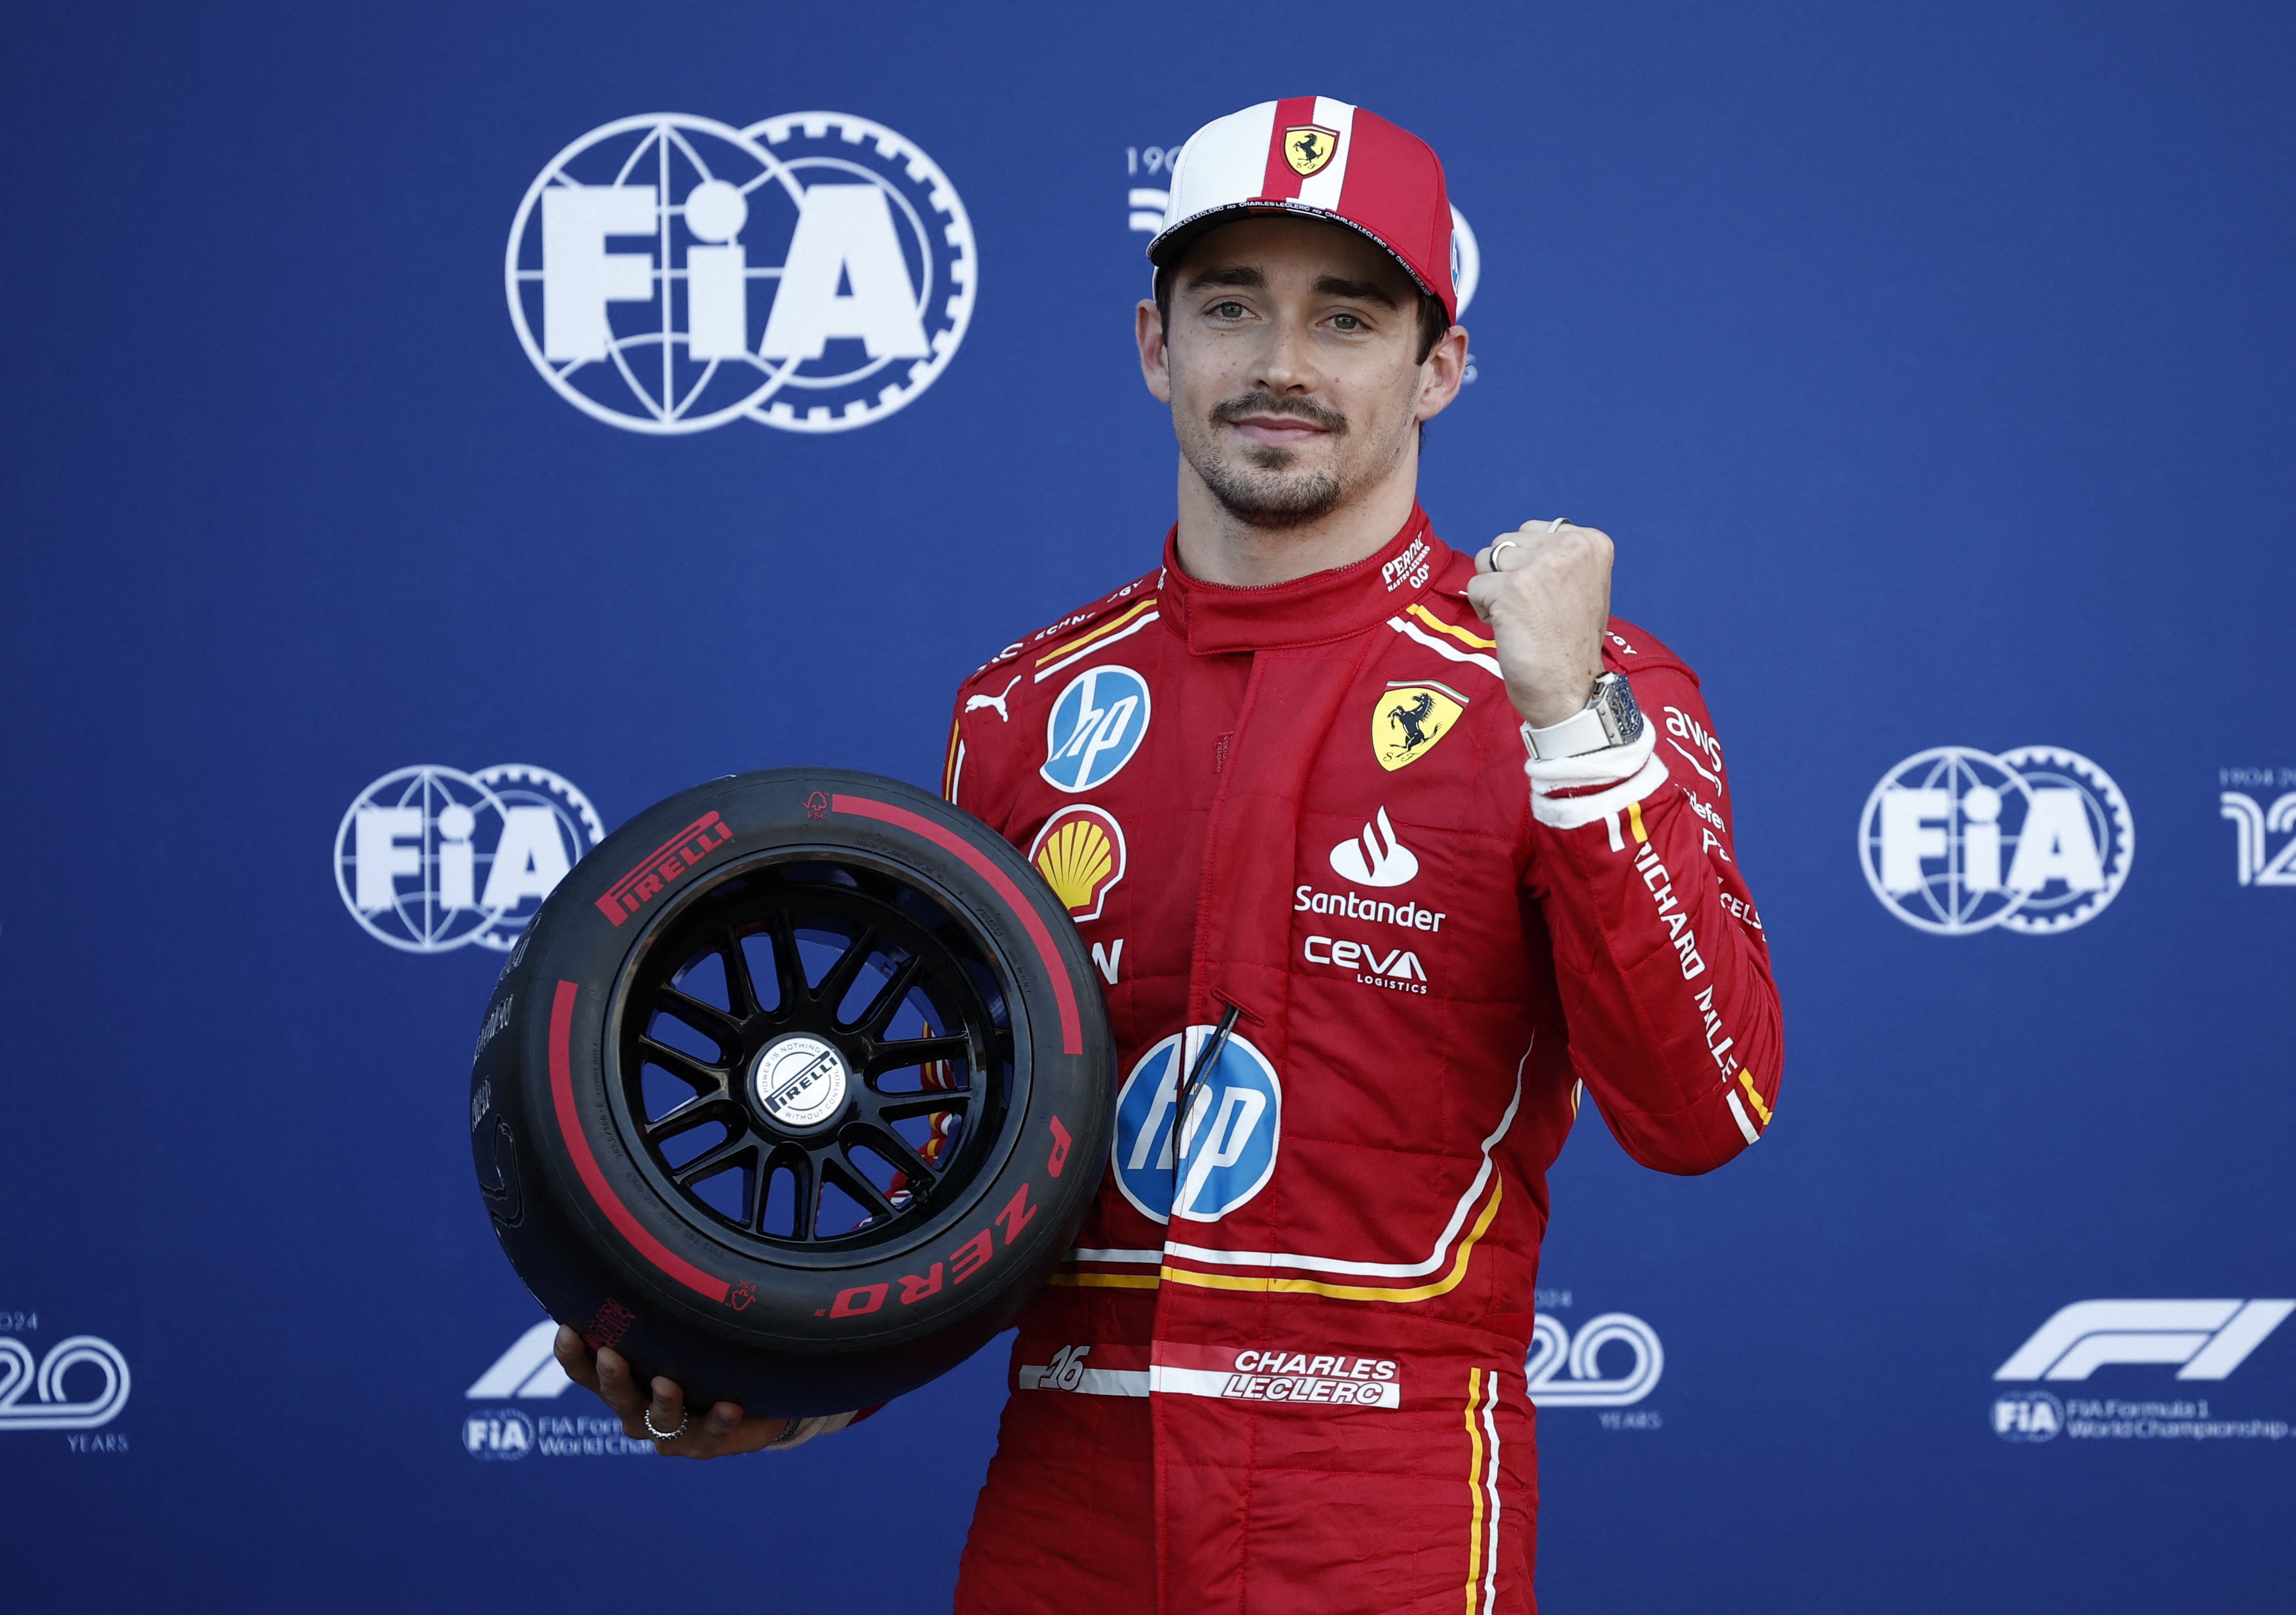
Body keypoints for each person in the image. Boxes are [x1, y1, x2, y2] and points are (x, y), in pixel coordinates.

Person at [556, 95, 1783, 1614]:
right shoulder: (1026, 708)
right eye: (1229, 309)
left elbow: (1702, 1108)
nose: (1280, 364)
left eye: (1345, 318)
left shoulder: (1580, 684)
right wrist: (798, 1371)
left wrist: (1574, 727)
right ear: (1153, 346)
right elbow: (965, 1173)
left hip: (1381, 1509)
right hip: (1065, 1503)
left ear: (1438, 369)